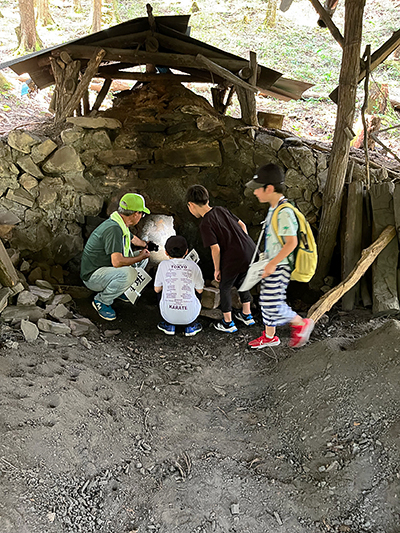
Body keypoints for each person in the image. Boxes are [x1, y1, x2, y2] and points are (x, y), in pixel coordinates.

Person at [245, 164, 314, 349]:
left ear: (269, 188)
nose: (254, 193)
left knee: (272, 302)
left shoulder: (284, 213)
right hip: (273, 263)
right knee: (267, 301)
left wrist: (272, 264)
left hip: (279, 265)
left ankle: (301, 323)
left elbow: (291, 243)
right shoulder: (274, 209)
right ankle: (270, 336)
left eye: (257, 188)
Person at [186, 184, 256, 333]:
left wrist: (217, 269)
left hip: (234, 256)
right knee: (243, 281)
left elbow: (215, 248)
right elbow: (242, 225)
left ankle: (228, 323)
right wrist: (243, 243)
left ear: (191, 205)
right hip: (251, 250)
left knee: (224, 286)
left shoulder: (205, 223)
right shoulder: (221, 210)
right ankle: (247, 315)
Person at [81, 193, 151, 321]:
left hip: (105, 268)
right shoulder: (114, 229)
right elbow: (117, 262)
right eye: (142, 214)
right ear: (136, 214)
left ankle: (120, 290)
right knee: (129, 273)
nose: (141, 217)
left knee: (144, 258)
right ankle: (101, 300)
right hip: (93, 276)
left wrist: (145, 245)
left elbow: (132, 238)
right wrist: (139, 257)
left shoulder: (119, 222)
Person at [154, 235, 204, 337]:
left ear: (166, 252)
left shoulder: (162, 265)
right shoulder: (194, 266)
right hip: (190, 316)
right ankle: (191, 326)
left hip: (167, 315)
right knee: (196, 291)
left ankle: (169, 325)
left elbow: (156, 289)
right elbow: (200, 290)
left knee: (160, 292)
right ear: (186, 252)